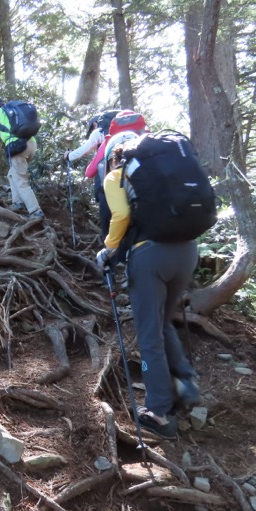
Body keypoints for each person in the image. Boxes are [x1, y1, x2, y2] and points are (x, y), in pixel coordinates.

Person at [96, 135, 201, 441]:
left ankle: (158, 411)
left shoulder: (117, 176)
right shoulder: (167, 174)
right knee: (162, 320)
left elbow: (121, 216)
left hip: (150, 257)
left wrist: (108, 249)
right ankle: (185, 381)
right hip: (187, 252)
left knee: (148, 333)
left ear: (114, 157)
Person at [82, 110, 147, 240]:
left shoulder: (109, 141)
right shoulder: (147, 139)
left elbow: (89, 172)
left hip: (112, 194)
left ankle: (110, 252)